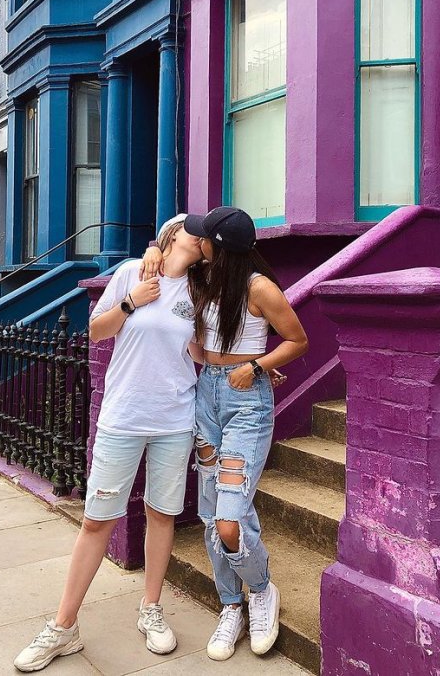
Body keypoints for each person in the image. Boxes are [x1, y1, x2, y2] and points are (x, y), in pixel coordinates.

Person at [14, 215, 204, 672]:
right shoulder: (131, 273)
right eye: (194, 229)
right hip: (122, 418)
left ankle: (151, 607)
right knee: (98, 520)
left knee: (162, 515)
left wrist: (254, 366)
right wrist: (132, 303)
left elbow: (200, 353)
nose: (203, 237)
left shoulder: (203, 292)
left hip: (175, 419)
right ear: (172, 234)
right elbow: (97, 331)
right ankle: (63, 626)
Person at [142, 207, 308, 662]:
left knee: (231, 518)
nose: (197, 242)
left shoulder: (259, 287)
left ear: (221, 245)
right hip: (205, 399)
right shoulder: (206, 278)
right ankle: (231, 605)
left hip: (245, 404)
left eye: (204, 238)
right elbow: (166, 244)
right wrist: (153, 250)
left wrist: (256, 366)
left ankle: (261, 589)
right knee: (213, 512)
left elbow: (298, 340)